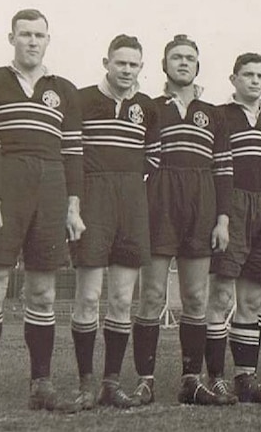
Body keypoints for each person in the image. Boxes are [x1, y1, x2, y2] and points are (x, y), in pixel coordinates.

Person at [0, 8, 86, 412]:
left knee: (43, 291)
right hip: (5, 184)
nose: (32, 41)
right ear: (11, 39)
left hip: (52, 187)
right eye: (25, 34)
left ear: (48, 40)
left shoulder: (64, 89)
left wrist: (73, 207)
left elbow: (73, 152)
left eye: (39, 35)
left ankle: (42, 383)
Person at [133, 35, 234, 405]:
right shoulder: (150, 107)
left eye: (190, 57)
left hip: (201, 205)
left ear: (198, 65)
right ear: (164, 64)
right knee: (152, 295)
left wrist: (222, 219)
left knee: (195, 297)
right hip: (160, 204)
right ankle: (145, 380)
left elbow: (224, 169)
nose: (184, 62)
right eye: (176, 57)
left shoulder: (214, 113)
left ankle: (191, 379)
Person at [69, 35, 159, 408]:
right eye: (120, 63)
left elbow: (152, 159)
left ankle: (111, 382)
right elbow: (71, 151)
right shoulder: (82, 98)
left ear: (141, 67)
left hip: (131, 203)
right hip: (93, 200)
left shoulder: (148, 108)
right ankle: (86, 382)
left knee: (122, 299)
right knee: (88, 296)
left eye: (133, 64)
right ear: (106, 62)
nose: (126, 70)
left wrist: (130, 187)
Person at [204, 53, 261, 404]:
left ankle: (246, 378)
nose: (254, 81)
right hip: (233, 205)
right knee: (221, 294)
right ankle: (216, 378)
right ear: (233, 79)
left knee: (255, 297)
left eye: (260, 76)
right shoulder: (221, 115)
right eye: (247, 75)